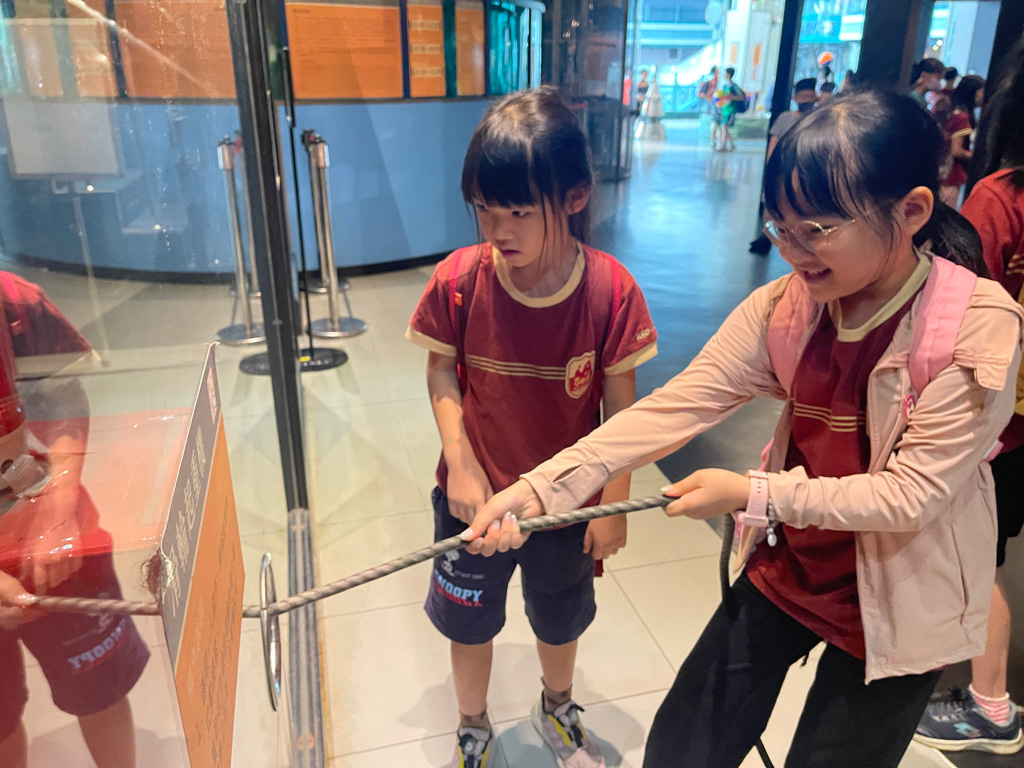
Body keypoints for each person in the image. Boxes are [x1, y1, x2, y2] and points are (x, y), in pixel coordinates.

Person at [463, 91, 1024, 768]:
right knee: (682, 746)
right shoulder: (787, 307)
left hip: (907, 597)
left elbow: (912, 497)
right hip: (792, 563)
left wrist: (754, 493)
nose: (792, 252)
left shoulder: (975, 327)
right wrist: (539, 489)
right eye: (779, 228)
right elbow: (676, 406)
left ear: (910, 211)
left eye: (815, 229)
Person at [405, 87, 658, 768]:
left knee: (559, 616)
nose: (498, 229)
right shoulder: (459, 281)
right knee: (468, 622)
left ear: (573, 197)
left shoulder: (610, 292)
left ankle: (558, 706)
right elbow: (441, 371)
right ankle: (472, 726)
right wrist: (461, 467)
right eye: (485, 208)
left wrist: (613, 502)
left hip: (566, 508)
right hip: (472, 498)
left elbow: (622, 412)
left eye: (518, 211)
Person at [913, 75, 1024, 758]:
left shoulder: (1002, 197)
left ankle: (991, 703)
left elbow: (963, 302)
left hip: (1000, 424)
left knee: (977, 555)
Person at [0, 272, 149, 768]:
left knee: (99, 685)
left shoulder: (14, 300)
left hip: (44, 517)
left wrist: (60, 505)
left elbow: (61, 396)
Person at [749, 78, 818, 255]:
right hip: (781, 170)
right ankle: (766, 237)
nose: (806, 101)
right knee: (770, 204)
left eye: (810, 97)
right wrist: (770, 167)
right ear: (795, 98)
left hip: (804, 172)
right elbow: (774, 141)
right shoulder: (785, 118)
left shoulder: (817, 119)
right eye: (802, 97)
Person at [939, 75, 985, 207]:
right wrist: (977, 156)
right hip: (952, 175)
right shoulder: (962, 117)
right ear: (972, 92)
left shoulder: (953, 111)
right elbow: (957, 150)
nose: (983, 96)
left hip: (944, 172)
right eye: (981, 92)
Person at [712, 67, 743, 152]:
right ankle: (732, 145)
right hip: (724, 109)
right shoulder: (725, 86)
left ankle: (723, 145)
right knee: (724, 128)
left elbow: (741, 97)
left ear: (729, 75)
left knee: (724, 127)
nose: (724, 75)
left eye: (725, 73)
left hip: (731, 110)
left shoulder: (734, 87)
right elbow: (722, 97)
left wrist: (732, 96)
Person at [698, 66, 720, 147]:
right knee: (715, 122)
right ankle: (714, 140)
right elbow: (700, 94)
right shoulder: (708, 82)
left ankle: (715, 140)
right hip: (711, 106)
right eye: (718, 71)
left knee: (716, 123)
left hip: (716, 105)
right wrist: (710, 99)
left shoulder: (718, 81)